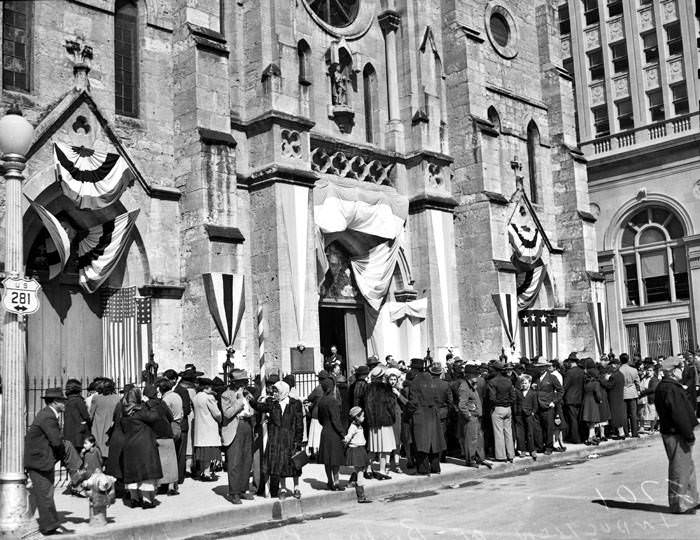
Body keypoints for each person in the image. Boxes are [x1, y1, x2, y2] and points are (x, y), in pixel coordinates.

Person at [24, 388, 74, 535]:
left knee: (46, 493)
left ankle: (51, 524)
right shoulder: (48, 417)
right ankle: (49, 526)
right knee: (45, 494)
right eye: (62, 401)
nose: (65, 403)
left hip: (40, 459)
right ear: (55, 402)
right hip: (39, 461)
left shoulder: (48, 414)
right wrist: (62, 456)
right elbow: (56, 441)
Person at [655, 356, 699, 514]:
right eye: (680, 368)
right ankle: (679, 504)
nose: (683, 370)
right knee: (679, 469)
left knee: (688, 467)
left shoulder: (668, 386)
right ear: (673, 371)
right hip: (676, 433)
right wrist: (688, 434)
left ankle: (692, 499)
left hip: (675, 432)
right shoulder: (671, 388)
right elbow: (678, 414)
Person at [113, 386, 163, 508]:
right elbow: (156, 416)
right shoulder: (141, 411)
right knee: (146, 474)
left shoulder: (125, 412)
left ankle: (134, 498)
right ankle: (146, 500)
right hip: (144, 445)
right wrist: (148, 403)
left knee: (133, 474)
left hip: (129, 445)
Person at [254, 380, 305, 500]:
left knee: (294, 465)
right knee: (280, 465)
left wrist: (298, 440)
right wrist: (253, 399)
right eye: (274, 391)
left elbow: (299, 424)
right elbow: (259, 407)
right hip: (277, 439)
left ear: (284, 391)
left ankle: (296, 487)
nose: (275, 393)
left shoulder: (295, 403)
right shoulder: (272, 403)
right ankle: (282, 488)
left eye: (277, 391)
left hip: (290, 439)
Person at [406, 361, 448, 475]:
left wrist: (407, 413)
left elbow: (413, 402)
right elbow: (437, 399)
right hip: (433, 413)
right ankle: (435, 467)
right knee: (434, 442)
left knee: (421, 443)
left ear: (414, 369)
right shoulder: (430, 379)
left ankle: (424, 469)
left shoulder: (415, 382)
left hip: (420, 414)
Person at [221, 369, 255, 504]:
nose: (244, 385)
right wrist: (240, 401)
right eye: (242, 382)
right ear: (235, 383)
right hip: (234, 427)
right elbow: (228, 413)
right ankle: (234, 492)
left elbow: (251, 409)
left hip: (246, 426)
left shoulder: (246, 393)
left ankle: (243, 489)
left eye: (245, 382)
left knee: (247, 460)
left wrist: (250, 409)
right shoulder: (226, 395)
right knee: (235, 461)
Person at [144, 382, 179, 496]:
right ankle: (170, 486)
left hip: (153, 436)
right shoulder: (162, 403)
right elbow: (171, 417)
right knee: (170, 461)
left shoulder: (145, 406)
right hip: (166, 434)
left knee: (156, 462)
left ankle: (157, 485)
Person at [365, 365, 396, 479]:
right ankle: (382, 471)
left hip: (373, 423)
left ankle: (368, 468)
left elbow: (367, 406)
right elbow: (391, 405)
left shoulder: (368, 389)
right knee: (385, 448)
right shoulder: (386, 388)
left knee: (373, 448)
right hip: (385, 421)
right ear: (382, 377)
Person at [458, 364, 491, 468]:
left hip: (476, 416)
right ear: (468, 375)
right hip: (471, 417)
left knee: (479, 438)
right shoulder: (464, 387)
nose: (476, 377)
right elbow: (462, 405)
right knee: (471, 439)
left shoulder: (472, 385)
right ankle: (470, 460)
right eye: (474, 375)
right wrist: (468, 416)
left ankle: (480, 458)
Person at [317, 376, 346, 491]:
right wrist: (342, 433)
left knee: (327, 460)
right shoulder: (332, 401)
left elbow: (319, 419)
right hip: (333, 432)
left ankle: (329, 481)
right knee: (335, 460)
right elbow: (336, 420)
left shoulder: (321, 400)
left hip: (325, 431)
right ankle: (336, 482)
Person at [164, 368, 191, 486]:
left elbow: (187, 409)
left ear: (174, 380)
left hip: (181, 424)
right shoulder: (166, 392)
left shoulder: (182, 391)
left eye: (167, 380)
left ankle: (179, 477)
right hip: (170, 425)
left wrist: (177, 416)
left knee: (180, 452)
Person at [192, 378, 223, 481]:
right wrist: (220, 419)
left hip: (199, 426)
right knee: (209, 452)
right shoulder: (209, 398)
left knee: (202, 451)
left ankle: (202, 471)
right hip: (209, 426)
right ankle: (206, 472)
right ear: (207, 387)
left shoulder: (196, 397)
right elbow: (217, 413)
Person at [533, 358, 563, 455]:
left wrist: (554, 401)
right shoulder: (535, 377)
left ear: (546, 367)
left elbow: (561, 390)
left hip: (548, 406)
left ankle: (549, 447)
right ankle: (540, 446)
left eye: (543, 367)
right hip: (537, 406)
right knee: (538, 428)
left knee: (549, 427)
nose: (541, 369)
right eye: (539, 367)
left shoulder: (552, 377)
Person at [488, 361, 515, 462]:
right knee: (508, 432)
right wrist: (507, 402)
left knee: (499, 433)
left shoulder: (492, 382)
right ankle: (511, 455)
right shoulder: (508, 381)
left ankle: (501, 456)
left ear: (495, 370)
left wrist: (498, 403)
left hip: (498, 408)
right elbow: (513, 397)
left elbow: (492, 398)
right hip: (508, 408)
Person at [344, 407, 371, 503]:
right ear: (357, 417)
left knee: (360, 469)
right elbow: (348, 436)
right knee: (360, 472)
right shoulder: (353, 427)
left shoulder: (359, 425)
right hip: (356, 450)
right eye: (362, 416)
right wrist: (344, 440)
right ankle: (361, 495)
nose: (364, 417)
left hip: (361, 449)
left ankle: (351, 481)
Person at [90, 378, 120, 460]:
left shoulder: (96, 398)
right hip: (111, 429)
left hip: (98, 429)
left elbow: (90, 415)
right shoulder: (118, 398)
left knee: (99, 455)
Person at [63, 378, 91, 452]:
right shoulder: (78, 400)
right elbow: (86, 416)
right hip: (79, 435)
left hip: (68, 434)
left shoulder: (67, 401)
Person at [514, 374, 537, 460]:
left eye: (526, 383)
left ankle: (531, 449)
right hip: (519, 414)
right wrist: (516, 413)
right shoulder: (518, 392)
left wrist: (533, 412)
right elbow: (515, 403)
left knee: (530, 432)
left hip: (529, 414)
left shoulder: (533, 393)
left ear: (530, 384)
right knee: (520, 433)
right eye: (522, 383)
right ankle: (522, 449)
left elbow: (535, 404)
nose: (524, 385)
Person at [601, 358, 626, 439]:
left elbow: (609, 386)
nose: (611, 366)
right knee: (619, 415)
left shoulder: (614, 376)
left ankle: (621, 434)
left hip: (613, 398)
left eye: (612, 365)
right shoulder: (621, 374)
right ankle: (620, 433)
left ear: (614, 365)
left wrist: (603, 380)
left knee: (616, 416)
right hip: (619, 397)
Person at [562, 356, 584, 444]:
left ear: (570, 362)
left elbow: (565, 386)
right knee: (579, 418)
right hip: (580, 397)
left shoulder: (569, 372)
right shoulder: (581, 371)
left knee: (572, 419)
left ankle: (575, 438)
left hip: (570, 398)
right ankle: (581, 437)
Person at [618, 353, 640, 438]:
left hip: (622, 392)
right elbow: (637, 382)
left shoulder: (619, 370)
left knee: (624, 414)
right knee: (633, 414)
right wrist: (638, 390)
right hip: (632, 392)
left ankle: (626, 432)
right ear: (628, 360)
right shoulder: (633, 370)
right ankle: (635, 432)